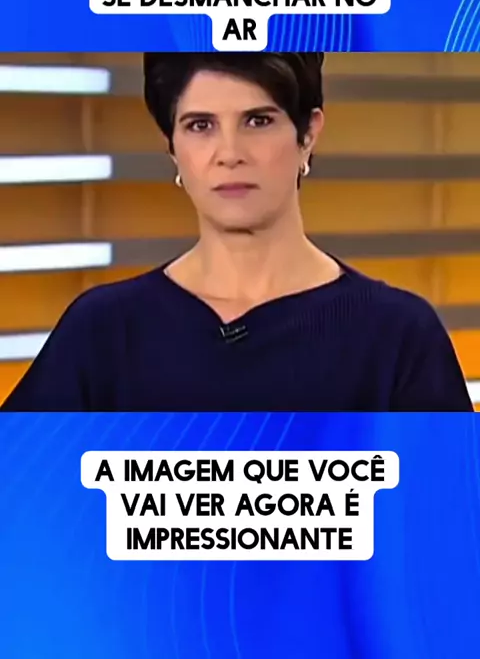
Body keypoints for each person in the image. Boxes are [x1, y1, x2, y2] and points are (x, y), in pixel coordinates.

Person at [2, 52, 473, 412]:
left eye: (258, 121)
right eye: (200, 125)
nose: (229, 153)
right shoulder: (103, 332)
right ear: (172, 148)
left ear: (308, 134)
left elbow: (443, 508)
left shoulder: (399, 337)